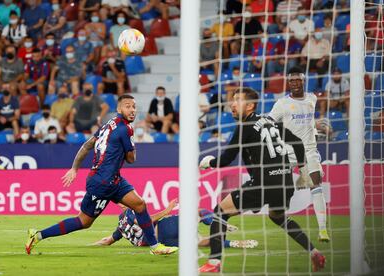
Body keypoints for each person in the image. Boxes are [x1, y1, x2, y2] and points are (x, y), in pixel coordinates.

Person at [25, 94, 178, 256]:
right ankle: (38, 235)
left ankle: (155, 247)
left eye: (134, 106)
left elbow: (87, 145)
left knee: (139, 205)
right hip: (103, 183)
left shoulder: (107, 125)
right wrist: (131, 146)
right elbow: (131, 159)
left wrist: (74, 168)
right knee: (83, 221)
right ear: (119, 109)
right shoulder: (126, 128)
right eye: (128, 106)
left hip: (111, 179)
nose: (132, 110)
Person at [198, 87, 325, 273]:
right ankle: (314, 252)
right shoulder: (270, 121)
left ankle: (214, 263)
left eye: (238, 101)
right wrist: (303, 171)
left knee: (220, 212)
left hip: (264, 182)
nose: (232, 104)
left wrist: (209, 162)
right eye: (232, 100)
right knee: (278, 217)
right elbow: (297, 142)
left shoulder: (245, 127)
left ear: (250, 106)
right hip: (285, 182)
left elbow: (226, 159)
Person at [267, 67, 330, 242]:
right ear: (288, 82)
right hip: (287, 153)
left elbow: (306, 119)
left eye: (298, 80)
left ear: (303, 81)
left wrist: (316, 126)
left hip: (309, 151)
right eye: (292, 80)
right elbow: (269, 123)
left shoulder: (312, 98)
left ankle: (323, 230)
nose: (295, 83)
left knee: (316, 184)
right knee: (279, 191)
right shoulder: (281, 104)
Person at [94, 200, 258, 249]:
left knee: (198, 243)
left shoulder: (120, 227)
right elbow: (146, 221)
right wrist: (167, 210)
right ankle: (222, 223)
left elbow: (108, 240)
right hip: (163, 228)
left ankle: (236, 243)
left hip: (163, 242)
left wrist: (92, 244)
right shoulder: (130, 212)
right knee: (196, 211)